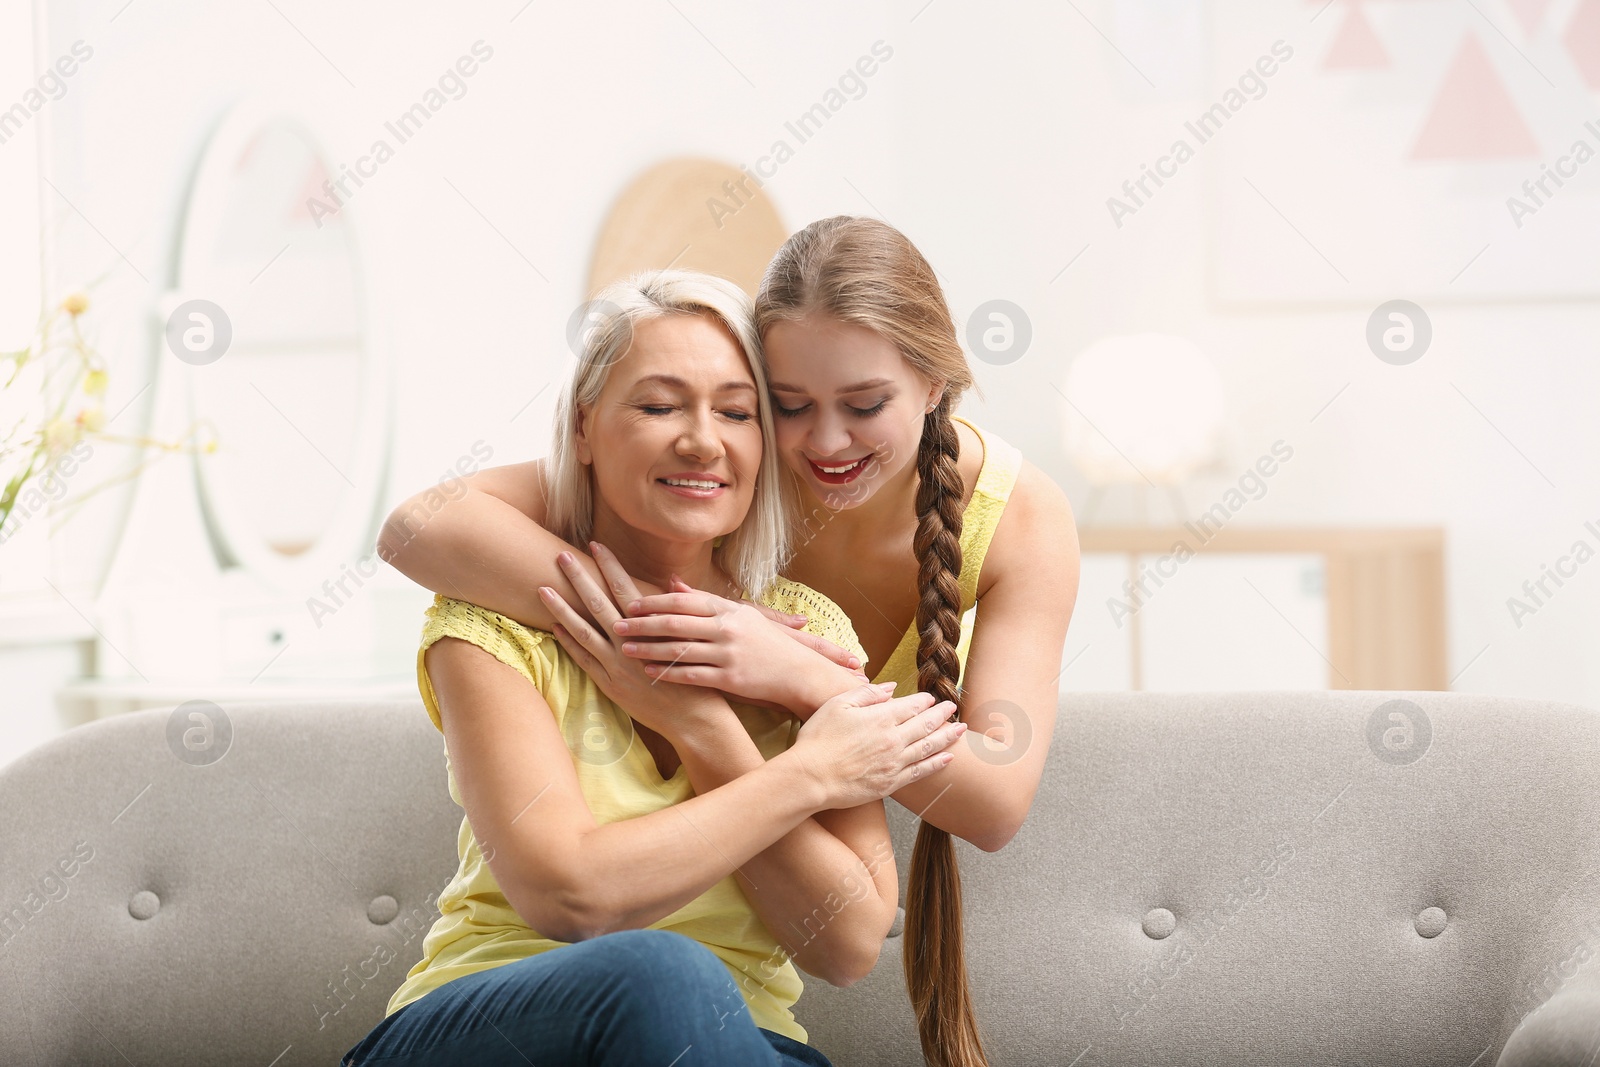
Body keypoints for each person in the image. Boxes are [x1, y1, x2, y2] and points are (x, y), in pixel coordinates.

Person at [377, 217, 1081, 1067]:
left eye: (863, 405)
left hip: (744, 1041)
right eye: (788, 407)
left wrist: (745, 701)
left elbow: (860, 933)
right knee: (661, 976)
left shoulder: (817, 632)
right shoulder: (498, 618)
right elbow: (419, 522)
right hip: (506, 1023)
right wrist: (651, 636)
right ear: (583, 430)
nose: (823, 442)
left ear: (935, 386)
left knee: (690, 1001)